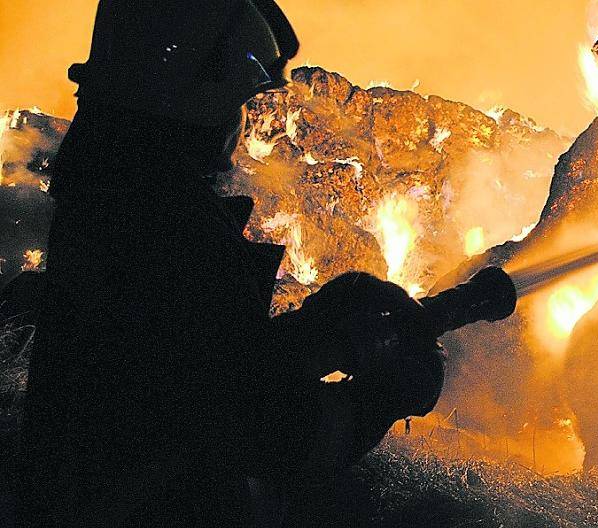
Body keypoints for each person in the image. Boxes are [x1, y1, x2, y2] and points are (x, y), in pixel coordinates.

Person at [16, 1, 445, 526]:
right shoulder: (160, 226)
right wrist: (381, 400)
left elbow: (202, 366)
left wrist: (311, 333)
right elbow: (258, 429)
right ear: (186, 106)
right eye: (232, 107)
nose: (237, 126)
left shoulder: (113, 200)